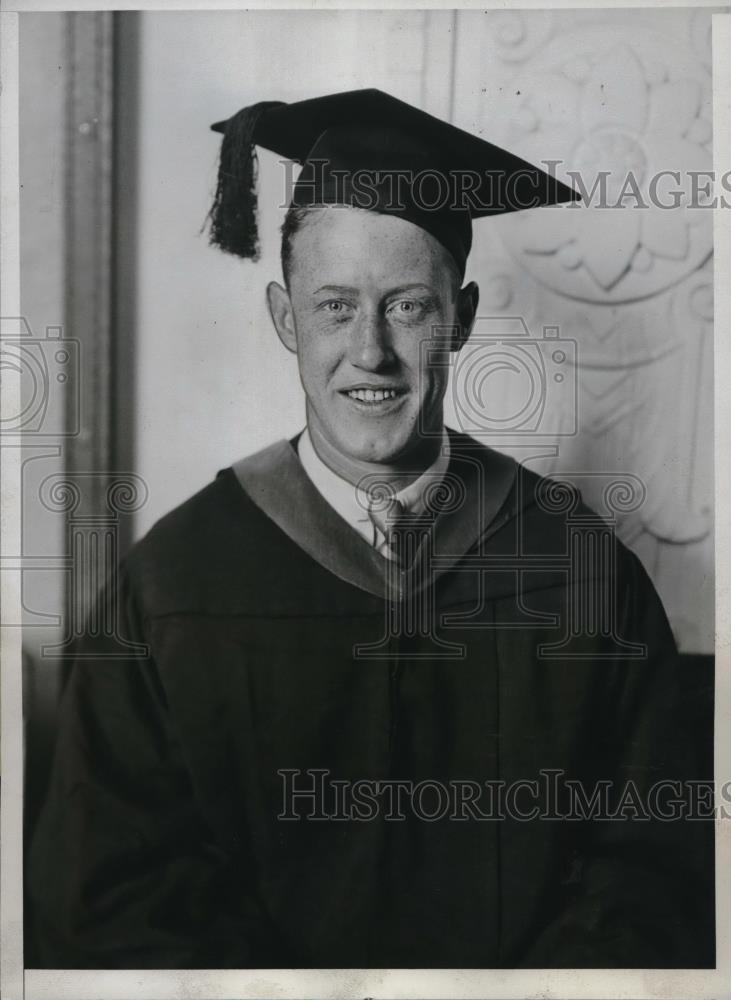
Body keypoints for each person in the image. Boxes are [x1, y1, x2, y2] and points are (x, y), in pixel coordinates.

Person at [27, 89, 714, 969]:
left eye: (407, 306)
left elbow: (657, 870)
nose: (371, 352)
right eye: (335, 306)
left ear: (460, 319)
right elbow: (109, 894)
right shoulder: (171, 589)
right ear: (286, 319)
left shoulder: (580, 571)